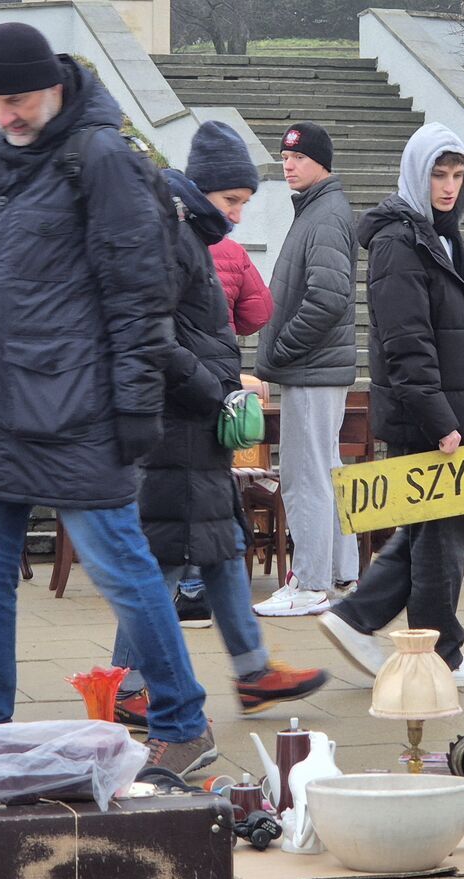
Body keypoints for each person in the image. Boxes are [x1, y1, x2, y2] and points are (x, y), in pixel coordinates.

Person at [0, 22, 214, 783]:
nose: (6, 114)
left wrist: (137, 402)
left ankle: (182, 721)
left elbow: (141, 295)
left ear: (56, 84)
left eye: (18, 98)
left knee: (121, 567)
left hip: (78, 408)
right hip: (0, 406)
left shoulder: (102, 158)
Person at [111, 122, 327, 727]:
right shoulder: (172, 238)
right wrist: (217, 393)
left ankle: (254, 673)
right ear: (200, 189)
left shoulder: (192, 237)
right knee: (163, 559)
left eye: (244, 205)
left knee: (225, 549)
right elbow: (154, 338)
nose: (236, 216)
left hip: (195, 426)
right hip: (175, 425)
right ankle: (128, 687)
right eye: (231, 201)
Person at [318, 122, 464, 688]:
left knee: (428, 533)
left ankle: (356, 617)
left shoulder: (439, 234)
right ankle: (437, 655)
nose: (448, 186)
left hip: (444, 411)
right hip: (429, 418)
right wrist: (442, 420)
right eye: (438, 174)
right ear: (417, 174)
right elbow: (406, 342)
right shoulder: (403, 240)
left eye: (457, 174)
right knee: (443, 539)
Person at [251, 121, 359, 617]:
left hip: (311, 370)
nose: (288, 164)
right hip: (316, 370)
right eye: (285, 156)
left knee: (304, 475)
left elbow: (329, 297)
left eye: (297, 157)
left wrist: (283, 349)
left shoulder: (325, 215)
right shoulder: (320, 210)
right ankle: (339, 574)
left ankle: (311, 584)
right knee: (326, 471)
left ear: (322, 162)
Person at [174, 186, 275, 630]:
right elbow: (260, 310)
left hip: (192, 383)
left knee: (198, 505)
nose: (236, 213)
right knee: (210, 502)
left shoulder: (171, 243)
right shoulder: (227, 251)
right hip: (209, 380)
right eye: (232, 201)